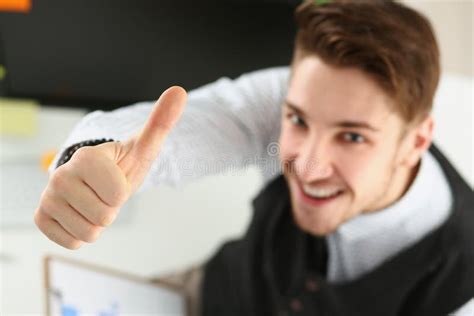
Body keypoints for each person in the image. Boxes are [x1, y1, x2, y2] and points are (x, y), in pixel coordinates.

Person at [35, 0, 473, 315]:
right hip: (206, 295)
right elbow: (189, 132)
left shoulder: (462, 286)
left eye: (353, 137)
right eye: (298, 121)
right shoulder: (303, 87)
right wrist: (91, 161)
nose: (308, 165)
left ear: (417, 142)